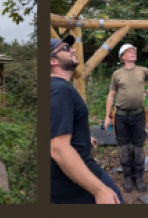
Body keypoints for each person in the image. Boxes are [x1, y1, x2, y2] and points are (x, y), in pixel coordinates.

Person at [50, 35, 123, 204]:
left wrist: (82, 137)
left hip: (63, 182)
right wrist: (99, 190)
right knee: (114, 197)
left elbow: (54, 130)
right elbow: (58, 148)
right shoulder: (61, 91)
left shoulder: (55, 88)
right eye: (66, 49)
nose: (73, 49)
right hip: (75, 181)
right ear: (53, 61)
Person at [104, 44, 148, 192]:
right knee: (123, 148)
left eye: (134, 51)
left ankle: (139, 176)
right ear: (123, 57)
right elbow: (111, 95)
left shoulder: (143, 70)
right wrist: (106, 117)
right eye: (129, 51)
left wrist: (146, 92)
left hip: (138, 115)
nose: (133, 53)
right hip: (121, 117)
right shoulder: (117, 74)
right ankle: (128, 176)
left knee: (138, 147)